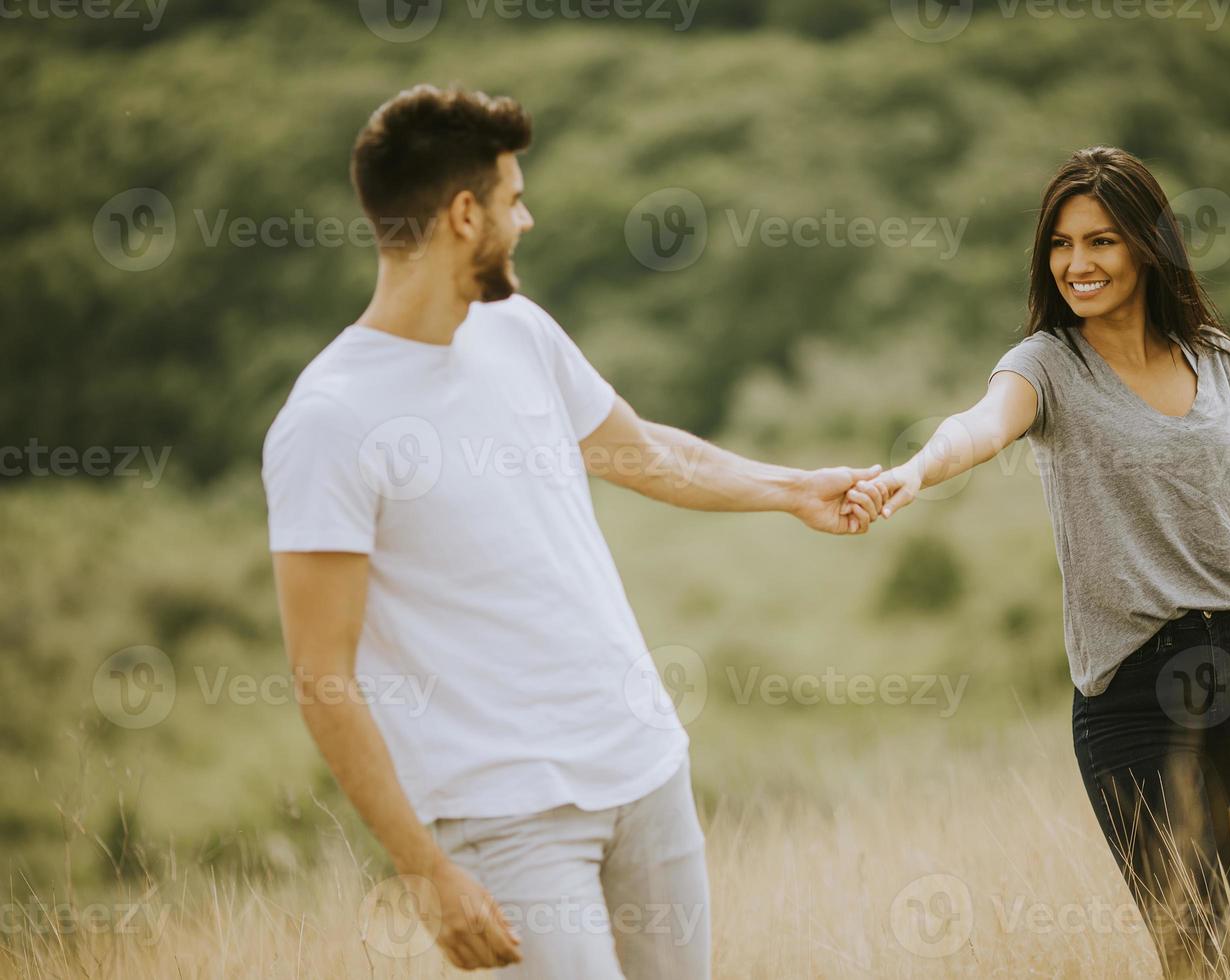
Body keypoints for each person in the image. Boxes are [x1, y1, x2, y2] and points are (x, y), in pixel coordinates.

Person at [262, 84, 880, 978]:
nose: (530, 218)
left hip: (644, 767)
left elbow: (646, 456)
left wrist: (794, 488)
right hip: (505, 821)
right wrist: (425, 872)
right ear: (465, 214)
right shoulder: (328, 419)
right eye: (515, 200)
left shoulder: (517, 330)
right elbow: (321, 673)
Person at [848, 146, 1230, 978]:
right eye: (1061, 245)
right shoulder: (1048, 365)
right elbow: (979, 425)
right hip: (1133, 697)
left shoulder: (1217, 359)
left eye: (1103, 241)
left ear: (1150, 245)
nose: (1077, 264)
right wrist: (911, 471)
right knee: (1201, 957)